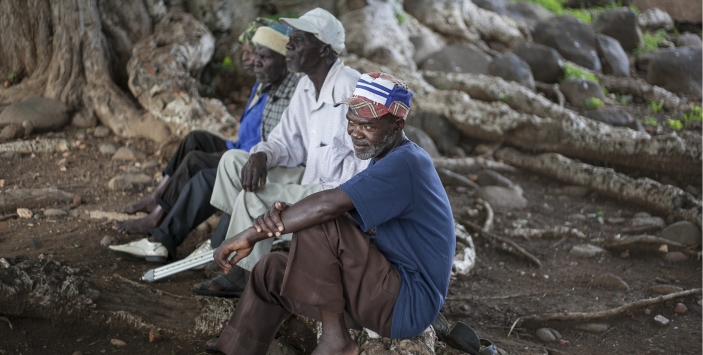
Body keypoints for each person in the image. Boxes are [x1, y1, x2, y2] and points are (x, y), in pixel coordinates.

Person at [209, 72, 456, 355]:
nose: (355, 132)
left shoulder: (407, 163)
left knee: (320, 217)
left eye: (367, 125)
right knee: (270, 272)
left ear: (398, 124)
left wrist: (253, 233)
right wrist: (287, 215)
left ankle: (335, 340)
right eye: (351, 122)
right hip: (383, 290)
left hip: (405, 304)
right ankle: (234, 350)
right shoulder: (383, 156)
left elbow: (329, 207)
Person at [109, 23, 300, 260]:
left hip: (262, 162)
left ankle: (160, 231)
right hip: (247, 152)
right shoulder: (268, 84)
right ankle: (158, 202)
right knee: (195, 139)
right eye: (252, 54)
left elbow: (271, 143)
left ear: (285, 59)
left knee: (198, 166)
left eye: (261, 56)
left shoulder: (292, 93)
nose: (253, 61)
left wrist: (236, 157)